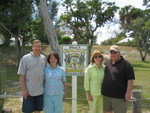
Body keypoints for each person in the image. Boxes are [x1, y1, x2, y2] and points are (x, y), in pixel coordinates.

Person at [102, 45, 135, 113]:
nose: (113, 54)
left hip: (119, 97)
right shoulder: (107, 62)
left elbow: (130, 79)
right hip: (106, 95)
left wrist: (128, 93)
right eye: (111, 52)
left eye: (115, 52)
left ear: (119, 53)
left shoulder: (127, 64)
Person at [17, 40, 46, 113]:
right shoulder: (25, 58)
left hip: (40, 91)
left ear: (41, 48)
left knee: (37, 111)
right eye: (36, 46)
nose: (37, 48)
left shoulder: (43, 58)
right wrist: (24, 90)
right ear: (32, 47)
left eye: (39, 46)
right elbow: (21, 74)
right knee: (27, 111)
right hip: (29, 92)